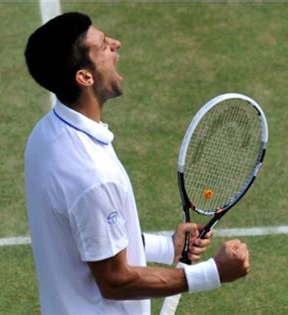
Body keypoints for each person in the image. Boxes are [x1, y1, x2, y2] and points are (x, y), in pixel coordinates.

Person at [24, 12, 250, 314]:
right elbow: (115, 281)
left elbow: (94, 240)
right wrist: (213, 273)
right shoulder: (92, 174)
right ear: (85, 77)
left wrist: (167, 247)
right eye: (104, 46)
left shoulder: (45, 135)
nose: (116, 45)